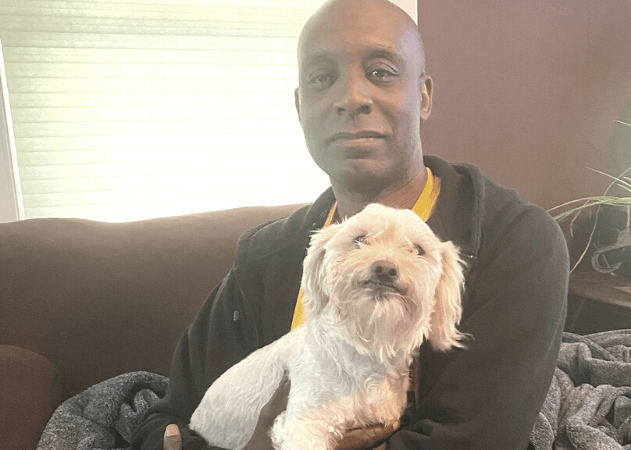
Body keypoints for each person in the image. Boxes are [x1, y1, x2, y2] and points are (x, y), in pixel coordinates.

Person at [131, 0, 569, 449]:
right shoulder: (264, 258)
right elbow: (166, 420)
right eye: (322, 78)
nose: (351, 98)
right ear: (300, 107)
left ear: (423, 96)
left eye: (381, 72)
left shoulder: (517, 243)